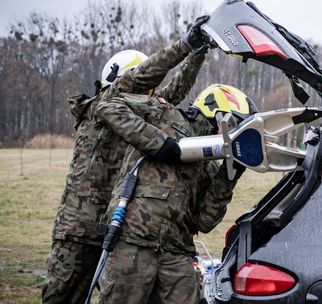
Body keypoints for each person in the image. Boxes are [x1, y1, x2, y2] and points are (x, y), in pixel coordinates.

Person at [41, 15, 210, 304]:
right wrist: (185, 44)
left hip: (115, 229)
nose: (150, 91)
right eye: (142, 81)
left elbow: (172, 94)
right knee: (61, 298)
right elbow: (146, 76)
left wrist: (197, 54)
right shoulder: (102, 105)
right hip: (79, 231)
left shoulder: (135, 110)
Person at [96, 84, 257, 303]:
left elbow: (204, 222)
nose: (233, 132)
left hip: (176, 253)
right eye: (234, 124)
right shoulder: (164, 114)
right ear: (218, 113)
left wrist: (230, 175)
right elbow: (108, 105)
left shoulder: (208, 164)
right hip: (133, 244)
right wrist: (160, 144)